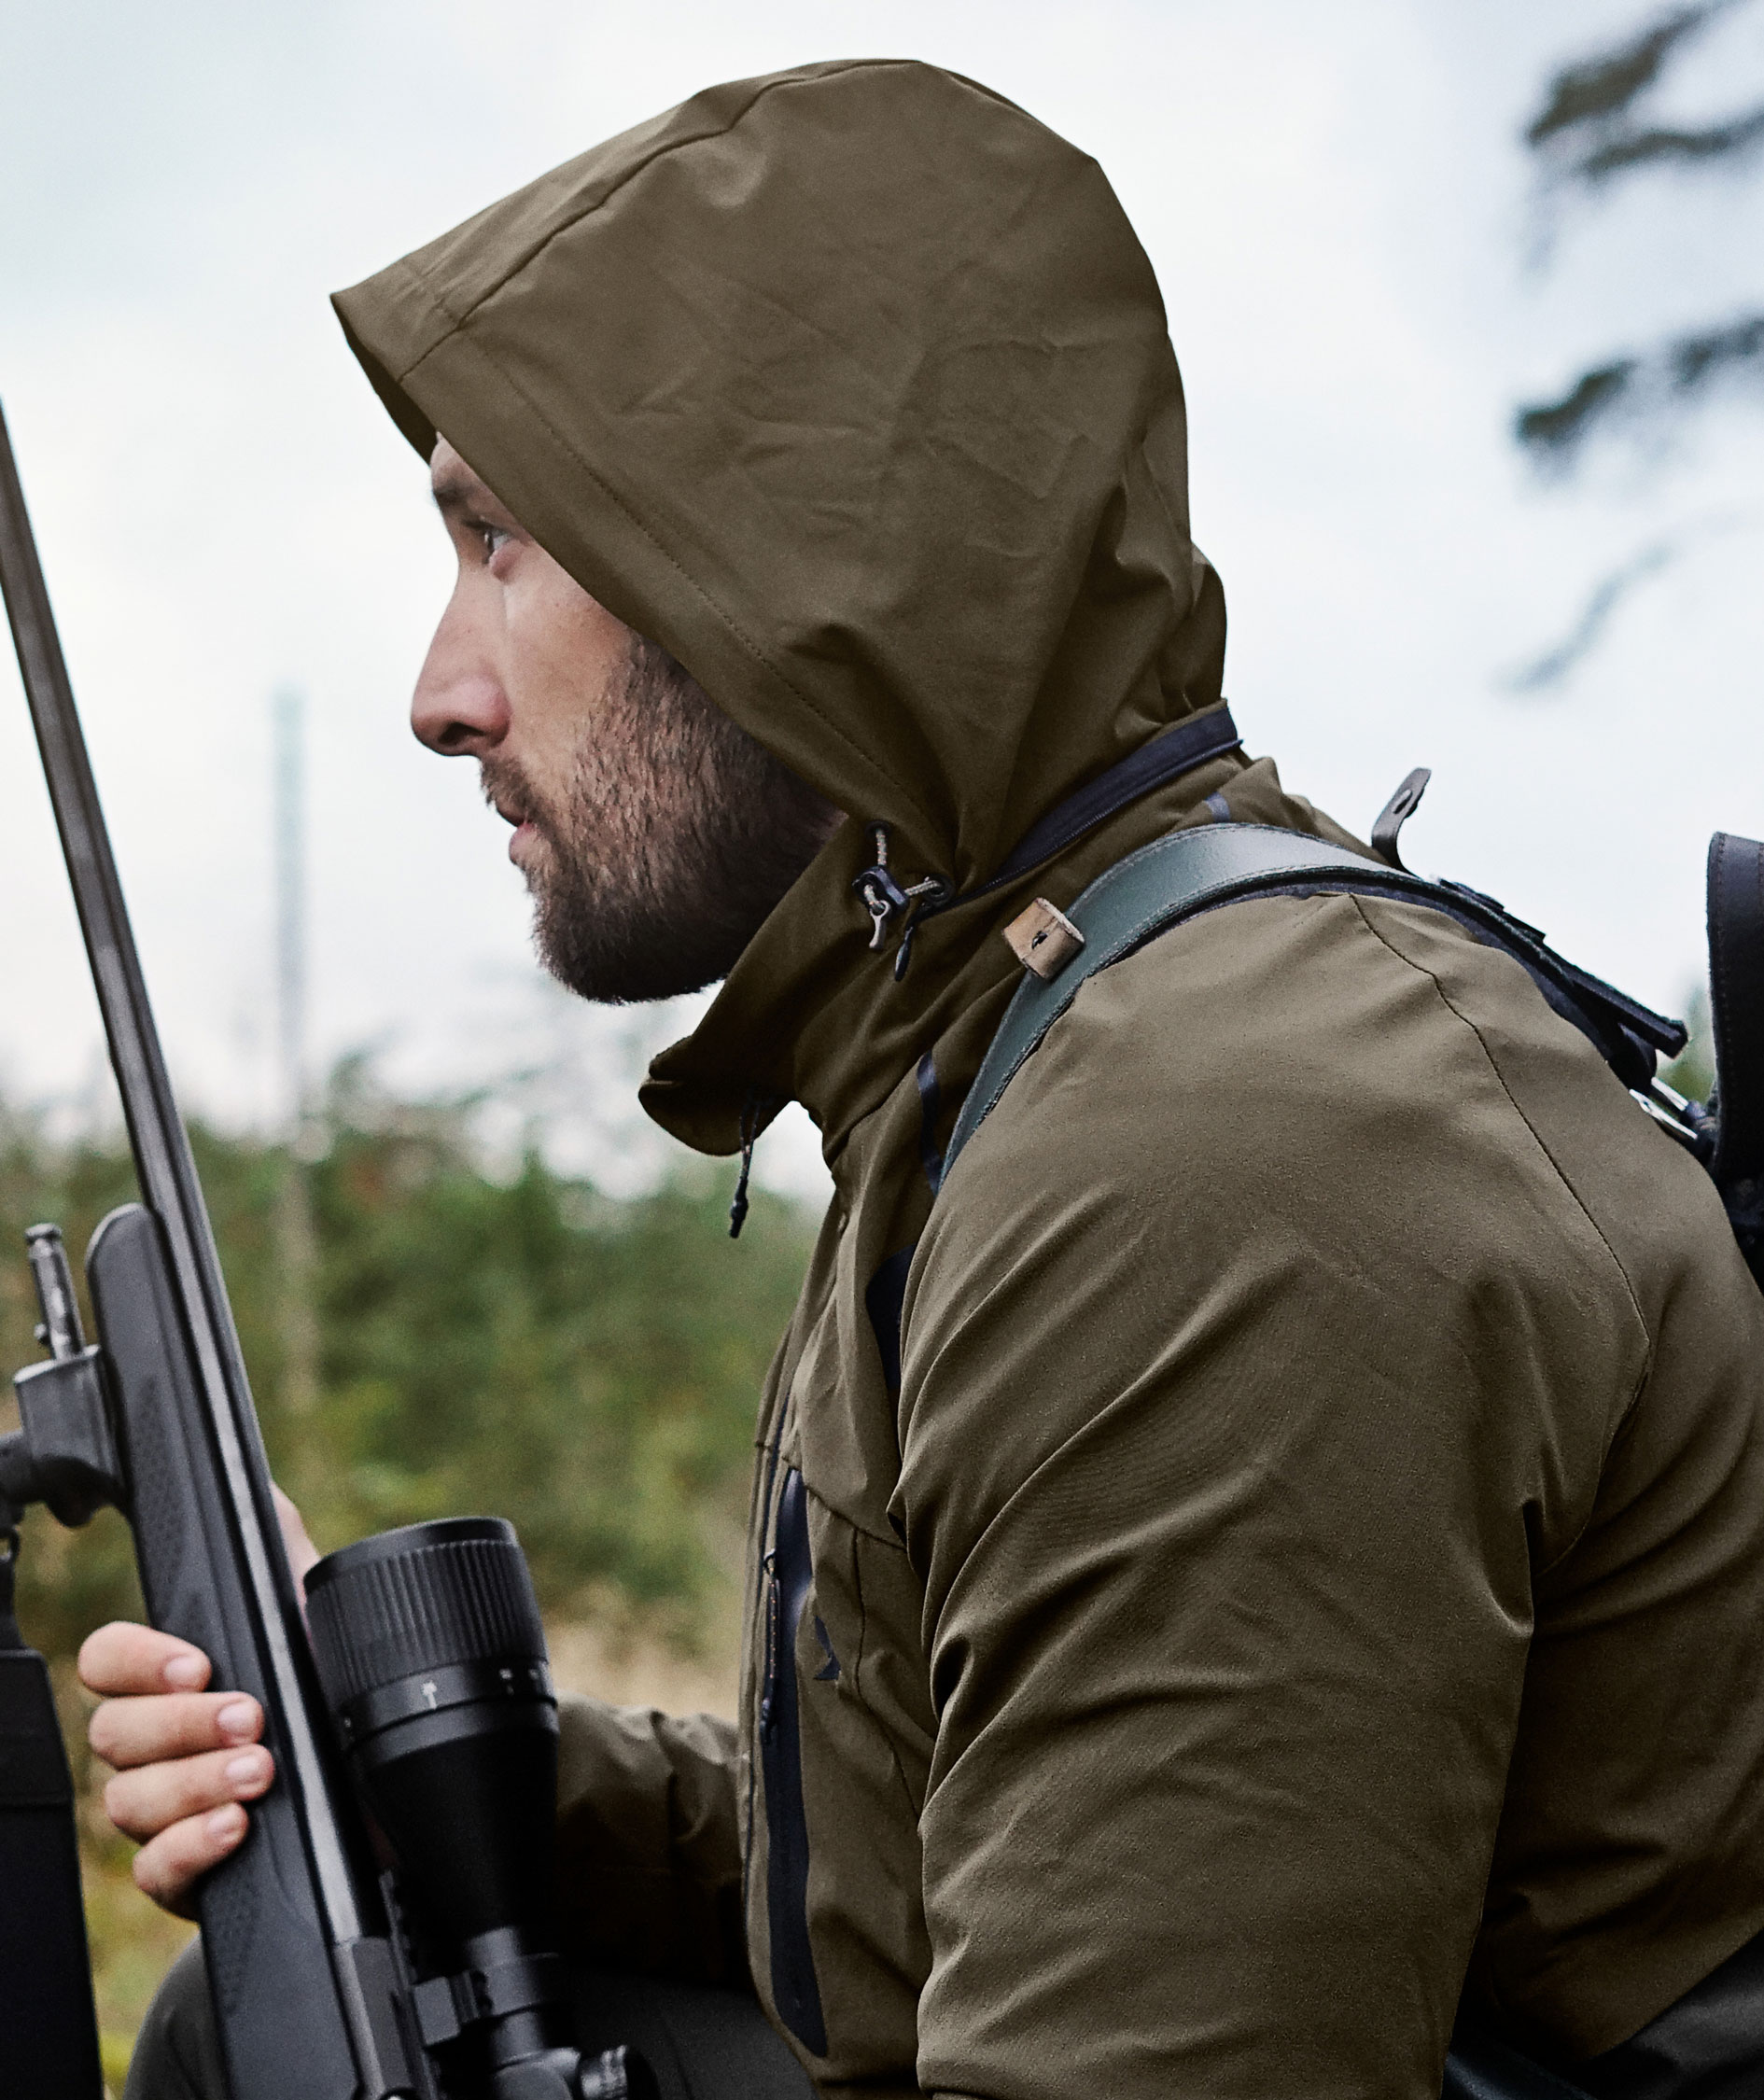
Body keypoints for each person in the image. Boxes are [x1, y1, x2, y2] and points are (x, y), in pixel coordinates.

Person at [81, 58, 1764, 2100]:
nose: (441, 694)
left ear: (785, 571)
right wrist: (444, 1763)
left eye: (503, 542)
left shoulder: (1213, 1162)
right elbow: (963, 1863)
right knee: (267, 2037)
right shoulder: (991, 1037)